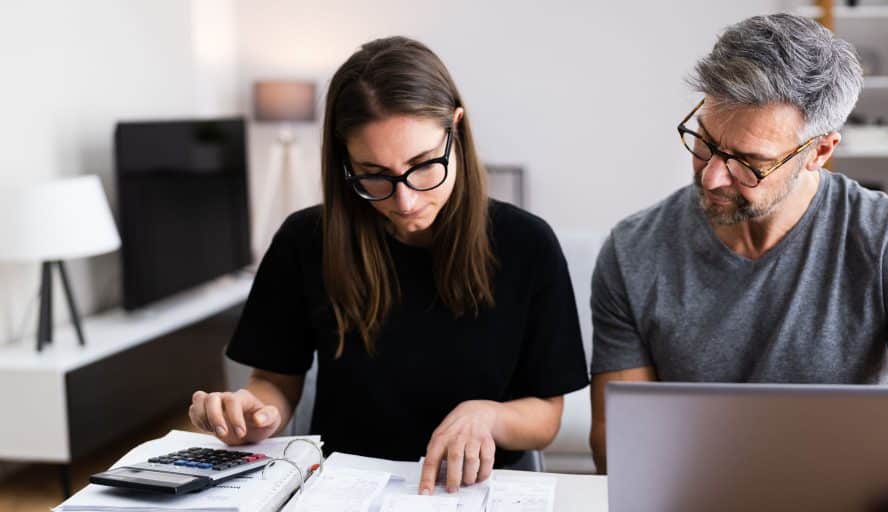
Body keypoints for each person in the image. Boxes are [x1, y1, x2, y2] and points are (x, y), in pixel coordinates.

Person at [588, 14, 888, 512]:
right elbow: (618, 437)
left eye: (749, 161)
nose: (713, 177)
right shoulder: (634, 251)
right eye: (704, 141)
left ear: (821, 151)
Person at [187, 36, 588, 495]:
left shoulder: (527, 244)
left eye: (422, 165)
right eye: (374, 173)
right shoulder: (305, 240)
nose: (405, 200)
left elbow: (545, 415)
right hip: (343, 488)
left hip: (478, 491)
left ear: (455, 128)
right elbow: (274, 383)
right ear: (345, 161)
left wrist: (488, 414)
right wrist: (250, 411)